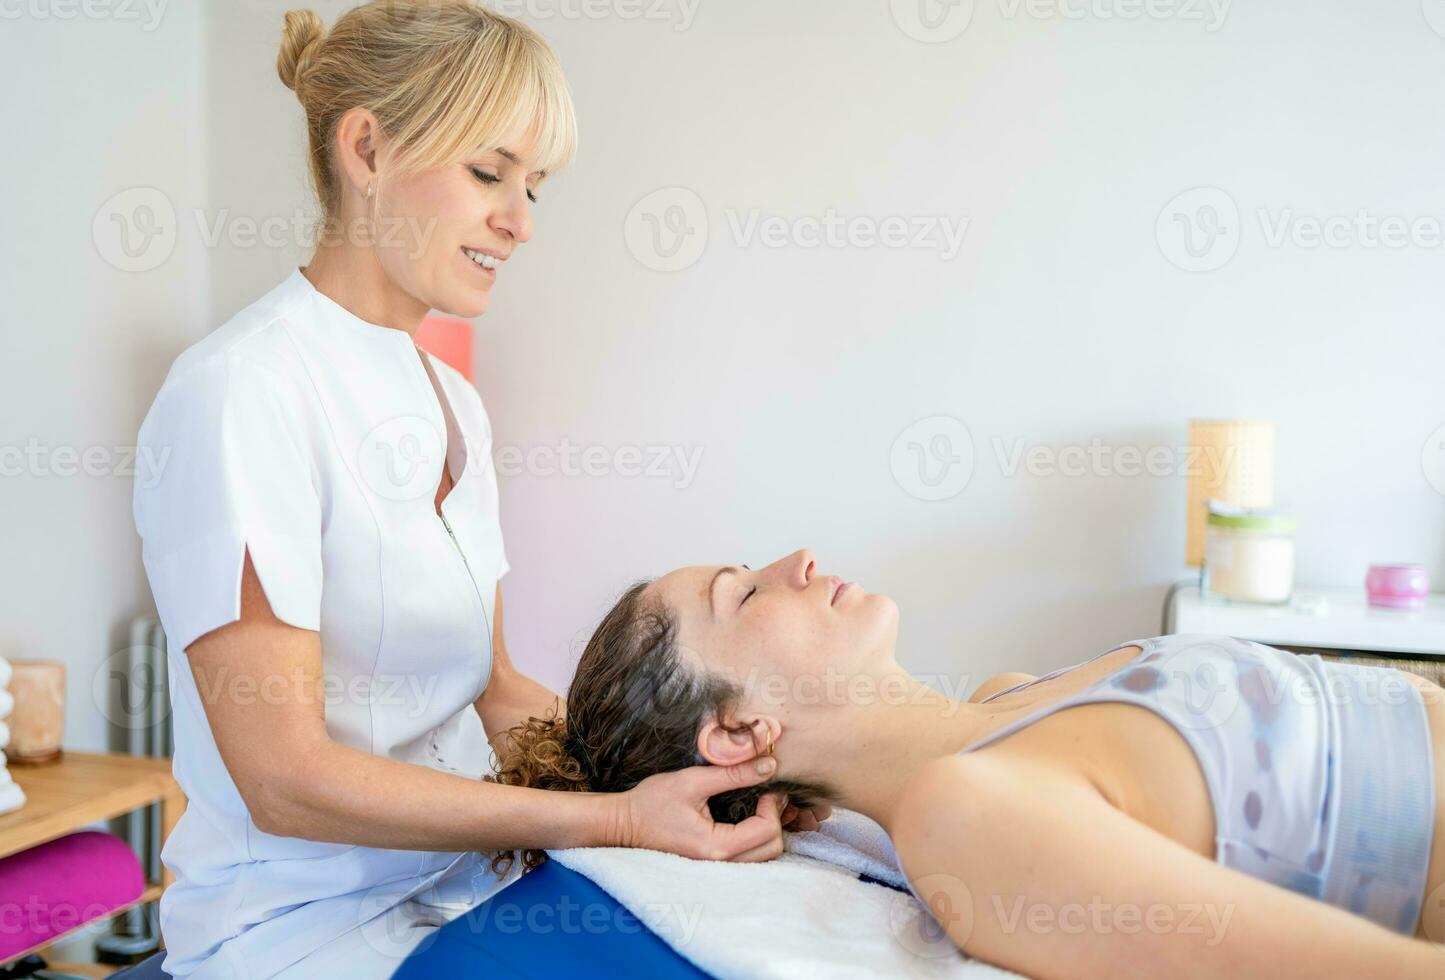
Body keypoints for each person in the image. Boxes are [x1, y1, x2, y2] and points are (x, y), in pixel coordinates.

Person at [131, 5, 817, 977]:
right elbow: (282, 779)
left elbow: (492, 689)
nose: (521, 221)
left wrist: (700, 778)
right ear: (366, 146)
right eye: (488, 173)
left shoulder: (450, 401)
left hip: (456, 889)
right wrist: (608, 817)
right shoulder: (243, 391)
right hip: (298, 928)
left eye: (534, 185)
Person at [487, 548, 1445, 978]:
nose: (798, 559)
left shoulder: (1009, 693)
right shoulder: (964, 820)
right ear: (738, 736)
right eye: (743, 595)